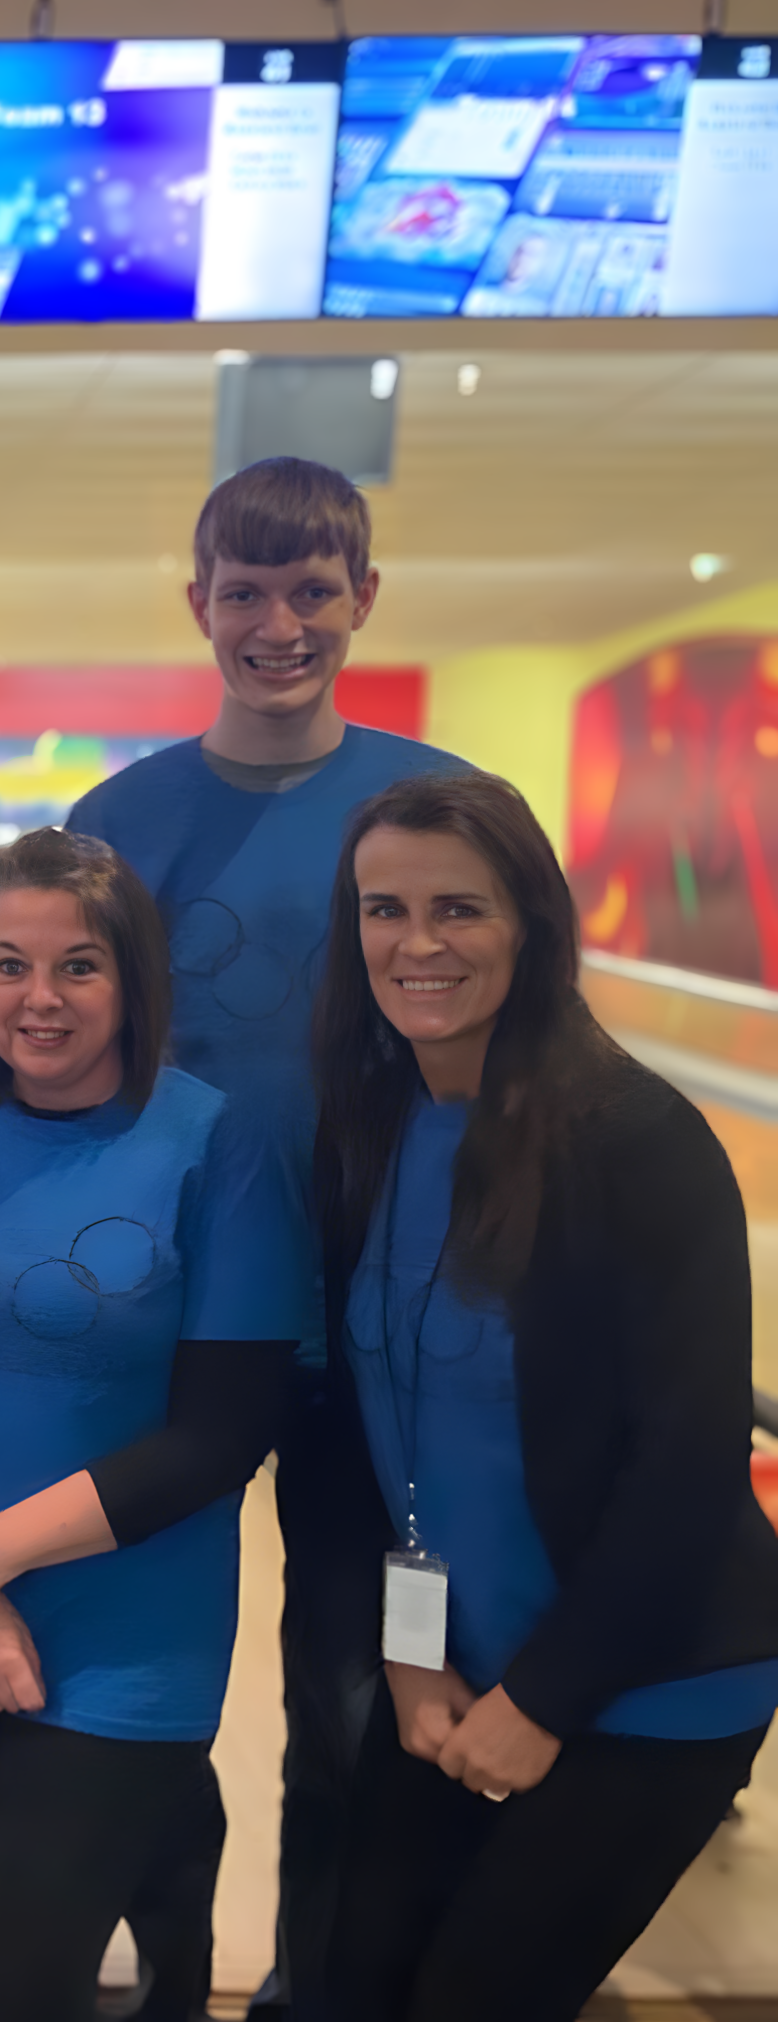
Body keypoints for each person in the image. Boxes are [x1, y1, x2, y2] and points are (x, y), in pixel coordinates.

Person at [67, 456, 467, 2020]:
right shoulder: (121, 821)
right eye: (247, 590)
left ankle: (321, 1984)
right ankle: (172, 1975)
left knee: (350, 1698)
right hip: (170, 1329)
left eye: (314, 590)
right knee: (147, 1698)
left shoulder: (435, 802)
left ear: (363, 598)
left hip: (388, 1331)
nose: (280, 622)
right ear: (200, 605)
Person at [0, 827, 311, 2022]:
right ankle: (176, 1850)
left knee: (25, 1987)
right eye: (8, 965)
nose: (40, 999)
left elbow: (220, 1434)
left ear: (134, 981)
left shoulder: (216, 1143)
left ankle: (171, 1844)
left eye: (79, 966)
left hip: (124, 1634)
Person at [310, 772, 778, 2022]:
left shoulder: (638, 1141)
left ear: (531, 921)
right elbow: (385, 1452)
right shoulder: (371, 1131)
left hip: (650, 1683)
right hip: (458, 1679)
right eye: (382, 908)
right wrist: (413, 1667)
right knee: (351, 1990)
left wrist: (544, 1701)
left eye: (458, 908)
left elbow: (686, 1470)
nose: (416, 944)